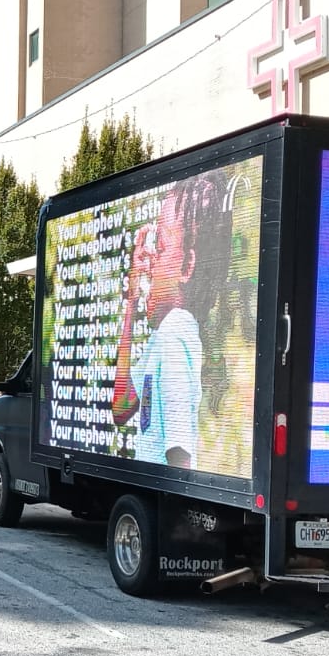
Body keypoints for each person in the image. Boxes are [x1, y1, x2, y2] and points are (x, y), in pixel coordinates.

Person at [109, 175, 228, 469]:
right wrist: (132, 299)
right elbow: (121, 407)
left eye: (160, 248)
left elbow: (180, 458)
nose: (149, 258)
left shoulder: (175, 334)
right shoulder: (166, 333)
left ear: (187, 266)